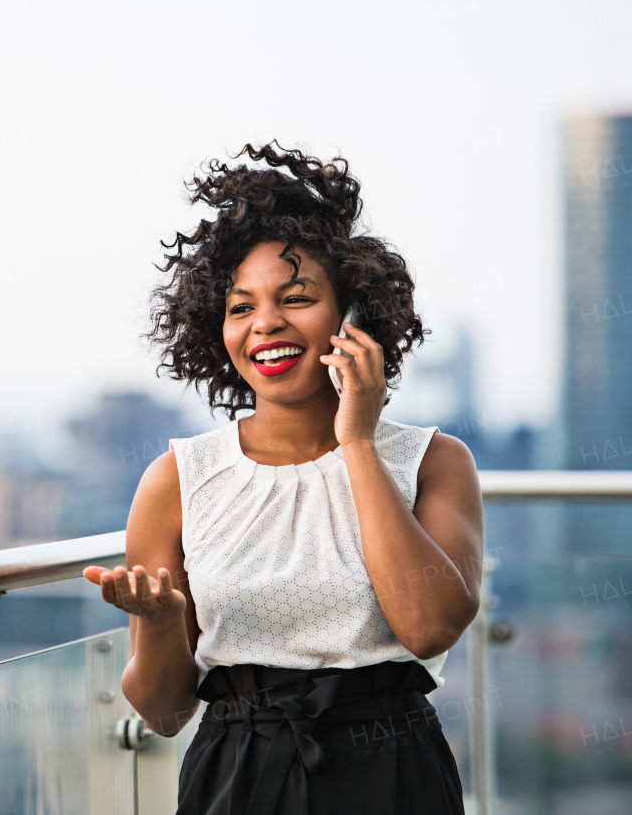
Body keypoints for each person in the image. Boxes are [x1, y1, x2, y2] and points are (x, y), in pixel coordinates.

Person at [83, 142, 483, 815]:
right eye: (241, 307)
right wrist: (161, 622)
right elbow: (161, 709)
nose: (265, 322)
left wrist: (356, 441)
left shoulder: (435, 463)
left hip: (392, 774)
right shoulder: (177, 480)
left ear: (353, 314)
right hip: (236, 779)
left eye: (295, 297)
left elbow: (429, 626)